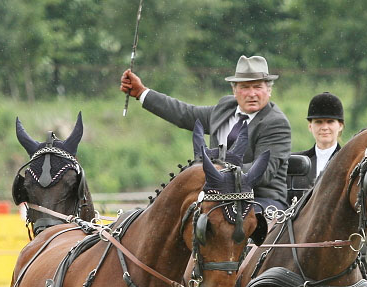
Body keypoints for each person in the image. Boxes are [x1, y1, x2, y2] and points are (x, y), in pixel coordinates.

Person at [120, 55, 291, 215]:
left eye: (258, 87)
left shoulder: (275, 123)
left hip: (260, 200)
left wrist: (213, 172)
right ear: (235, 90)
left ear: (269, 90)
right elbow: (185, 114)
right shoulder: (224, 109)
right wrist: (142, 93)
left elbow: (262, 172)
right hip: (217, 198)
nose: (252, 93)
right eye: (245, 87)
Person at [295, 92, 345, 187]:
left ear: (340, 126)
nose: (324, 127)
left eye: (330, 122)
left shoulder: (348, 161)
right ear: (310, 126)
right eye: (318, 122)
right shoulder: (297, 162)